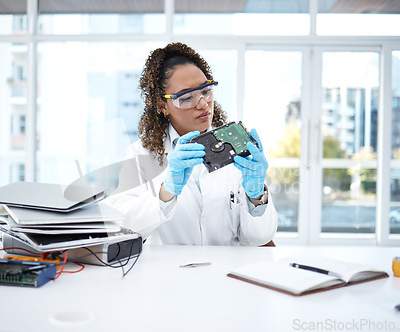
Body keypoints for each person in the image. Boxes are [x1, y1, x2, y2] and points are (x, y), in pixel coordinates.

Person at [107, 42, 277, 246]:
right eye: (187, 98)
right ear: (163, 105)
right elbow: (122, 226)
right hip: (171, 274)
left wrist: (256, 196)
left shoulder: (236, 146)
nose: (203, 104)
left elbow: (259, 239)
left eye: (205, 91)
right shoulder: (140, 154)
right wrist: (166, 192)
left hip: (226, 273)